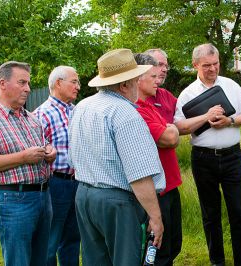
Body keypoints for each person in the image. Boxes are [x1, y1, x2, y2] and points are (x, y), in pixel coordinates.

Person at [68, 49, 166, 266]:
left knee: (95, 260)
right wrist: (155, 217)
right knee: (125, 260)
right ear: (124, 85)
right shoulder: (125, 114)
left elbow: (73, 156)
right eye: (135, 80)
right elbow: (139, 174)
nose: (138, 84)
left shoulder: (83, 106)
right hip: (116, 202)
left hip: (84, 195)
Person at [174, 43, 241, 266]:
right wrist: (204, 119)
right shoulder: (187, 94)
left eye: (216, 64)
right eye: (206, 65)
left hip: (232, 157)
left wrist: (229, 121)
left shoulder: (231, 85)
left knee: (239, 212)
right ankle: (217, 261)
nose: (212, 69)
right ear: (195, 65)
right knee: (210, 214)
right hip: (203, 159)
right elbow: (179, 128)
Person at [0, 61, 56, 266]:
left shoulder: (30, 117)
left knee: (42, 259)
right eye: (22, 82)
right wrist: (23, 157)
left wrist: (50, 152)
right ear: (3, 83)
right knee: (19, 260)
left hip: (43, 196)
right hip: (12, 199)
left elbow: (44, 144)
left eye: (28, 83)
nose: (28, 88)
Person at [134, 53, 183, 266]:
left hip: (170, 185)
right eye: (152, 76)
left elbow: (173, 131)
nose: (158, 80)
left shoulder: (149, 106)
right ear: (137, 78)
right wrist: (171, 128)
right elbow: (170, 138)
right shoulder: (137, 109)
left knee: (173, 245)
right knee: (157, 250)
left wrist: (172, 128)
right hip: (154, 189)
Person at [33, 66, 81, 266]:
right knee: (50, 240)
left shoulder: (76, 110)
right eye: (74, 81)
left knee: (73, 239)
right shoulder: (41, 114)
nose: (78, 86)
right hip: (56, 183)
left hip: (77, 182)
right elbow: (36, 155)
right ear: (58, 83)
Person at [144, 48, 177, 123]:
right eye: (160, 64)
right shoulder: (133, 98)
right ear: (145, 66)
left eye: (166, 66)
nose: (165, 69)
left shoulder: (165, 95)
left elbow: (186, 110)